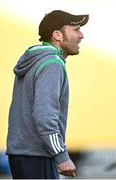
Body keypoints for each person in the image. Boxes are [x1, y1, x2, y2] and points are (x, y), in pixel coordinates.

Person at [6, 10, 89, 179]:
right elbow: (44, 116)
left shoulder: (37, 60)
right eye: (76, 30)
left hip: (24, 155)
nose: (81, 36)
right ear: (58, 35)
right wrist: (61, 156)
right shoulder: (52, 64)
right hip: (37, 156)